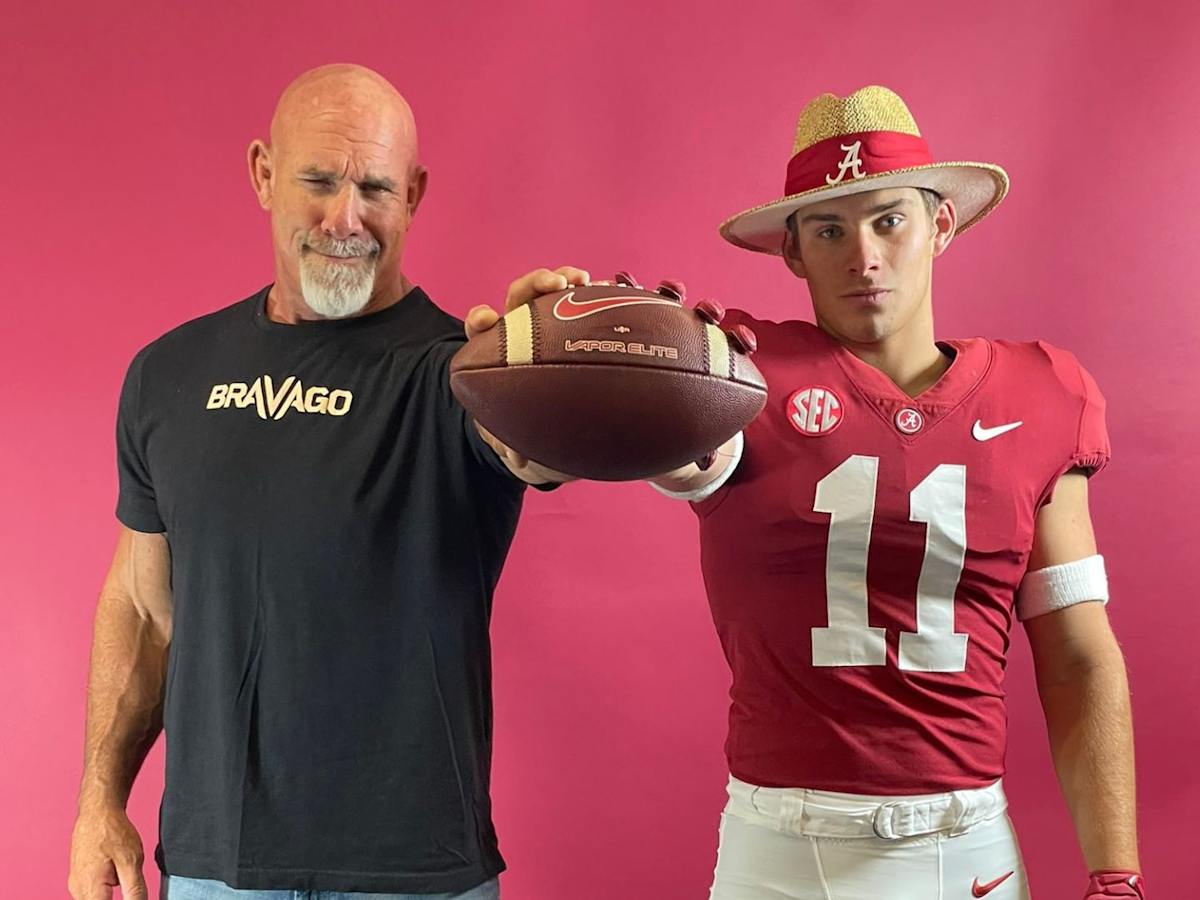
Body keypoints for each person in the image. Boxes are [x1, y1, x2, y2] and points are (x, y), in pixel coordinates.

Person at [67, 63, 581, 900]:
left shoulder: (463, 373)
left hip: (412, 877)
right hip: (212, 871)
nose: (345, 218)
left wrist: (547, 363)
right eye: (318, 180)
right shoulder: (166, 374)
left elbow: (535, 446)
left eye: (376, 187)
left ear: (414, 193)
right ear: (264, 173)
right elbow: (142, 609)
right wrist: (98, 801)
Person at [648, 86, 1145, 899]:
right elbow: (674, 451)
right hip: (781, 845)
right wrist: (570, 352)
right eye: (830, 229)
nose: (864, 255)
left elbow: (1079, 654)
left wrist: (1115, 875)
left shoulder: (1043, 392)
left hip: (964, 846)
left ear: (940, 225)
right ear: (794, 254)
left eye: (889, 219)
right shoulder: (734, 368)